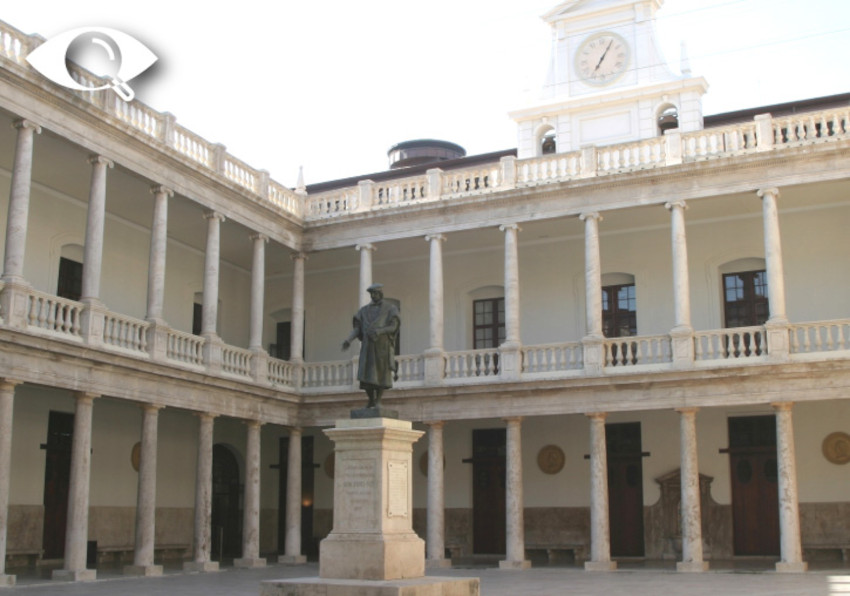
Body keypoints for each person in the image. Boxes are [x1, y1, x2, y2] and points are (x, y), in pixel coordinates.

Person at [341, 283, 400, 408]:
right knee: (365, 375)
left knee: (381, 375)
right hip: (367, 347)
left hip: (382, 346)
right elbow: (358, 329)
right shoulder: (363, 311)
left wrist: (380, 331)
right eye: (371, 293)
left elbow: (394, 326)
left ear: (381, 294)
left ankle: (378, 400)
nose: (373, 295)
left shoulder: (390, 308)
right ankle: (371, 399)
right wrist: (348, 340)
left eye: (375, 293)